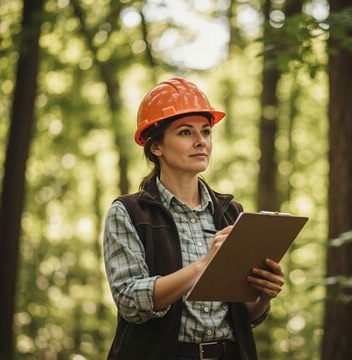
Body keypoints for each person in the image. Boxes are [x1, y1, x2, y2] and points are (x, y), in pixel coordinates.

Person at [103, 77, 285, 360]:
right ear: (156, 146)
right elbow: (129, 301)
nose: (201, 142)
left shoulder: (231, 213)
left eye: (206, 132)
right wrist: (202, 266)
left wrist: (264, 296)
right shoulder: (128, 212)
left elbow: (242, 316)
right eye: (186, 133)